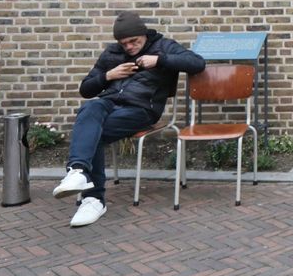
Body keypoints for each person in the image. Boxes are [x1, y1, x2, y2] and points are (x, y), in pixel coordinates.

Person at [53, 12, 205, 227]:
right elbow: (85, 89)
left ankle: (93, 197)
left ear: (144, 35)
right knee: (90, 107)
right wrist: (108, 76)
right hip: (108, 105)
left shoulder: (163, 46)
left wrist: (160, 60)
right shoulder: (112, 53)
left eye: (134, 41)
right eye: (124, 44)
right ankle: (78, 172)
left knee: (90, 132)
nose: (130, 47)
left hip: (141, 110)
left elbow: (197, 63)